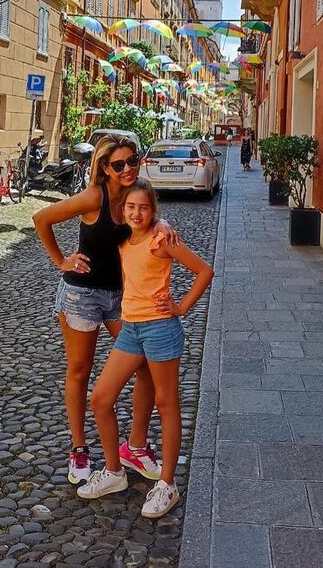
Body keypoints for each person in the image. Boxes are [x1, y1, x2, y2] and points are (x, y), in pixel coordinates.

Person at [32, 135, 179, 485]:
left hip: (120, 297)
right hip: (81, 295)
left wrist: (162, 225)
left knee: (145, 368)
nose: (127, 168)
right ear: (104, 168)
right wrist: (61, 260)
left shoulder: (133, 195)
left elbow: (149, 217)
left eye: (132, 160)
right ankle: (79, 448)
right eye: (118, 164)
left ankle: (135, 446)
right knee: (80, 370)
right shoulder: (93, 197)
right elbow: (41, 218)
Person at [78, 179, 214, 518]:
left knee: (166, 404)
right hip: (131, 329)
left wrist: (181, 307)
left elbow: (204, 271)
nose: (136, 213)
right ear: (123, 210)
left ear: (153, 210)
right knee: (101, 399)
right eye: (131, 207)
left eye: (144, 207)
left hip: (160, 330)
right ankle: (114, 472)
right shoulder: (124, 239)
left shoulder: (161, 239)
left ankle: (167, 484)